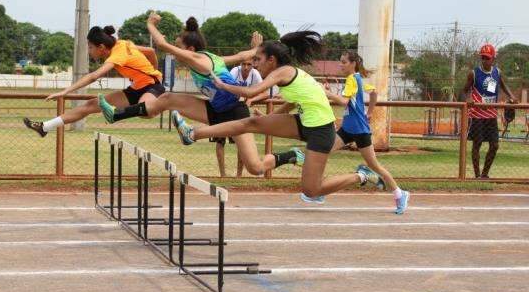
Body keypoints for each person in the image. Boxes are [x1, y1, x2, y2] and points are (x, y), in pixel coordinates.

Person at [171, 30, 386, 201]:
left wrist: (221, 84)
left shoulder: (282, 72)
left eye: (258, 59)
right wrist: (272, 116)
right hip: (304, 122)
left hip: (321, 130)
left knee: (312, 190)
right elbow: (295, 101)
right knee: (250, 122)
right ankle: (192, 133)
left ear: (272, 60)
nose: (254, 64)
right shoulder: (286, 73)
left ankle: (362, 175)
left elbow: (250, 92)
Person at [97, 13, 304, 176]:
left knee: (255, 167)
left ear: (190, 48)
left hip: (235, 113)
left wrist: (151, 24)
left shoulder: (198, 61)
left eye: (179, 47)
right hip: (213, 109)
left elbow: (161, 44)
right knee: (168, 99)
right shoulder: (212, 57)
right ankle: (117, 114)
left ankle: (292, 155)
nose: (176, 51)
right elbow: (241, 56)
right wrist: (256, 48)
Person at [22, 25, 164, 137]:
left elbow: (93, 76)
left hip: (153, 87)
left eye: (90, 47)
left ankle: (116, 114)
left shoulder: (116, 55)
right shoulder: (123, 43)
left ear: (101, 47)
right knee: (90, 105)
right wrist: (152, 70)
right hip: (136, 88)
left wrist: (65, 91)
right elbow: (150, 51)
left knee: (146, 110)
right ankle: (44, 127)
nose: (89, 51)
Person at [324, 50, 410, 214]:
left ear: (353, 63)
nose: (340, 65)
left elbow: (344, 101)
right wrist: (368, 113)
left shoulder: (352, 79)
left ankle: (400, 193)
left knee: (374, 165)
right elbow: (374, 92)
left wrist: (327, 93)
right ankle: (319, 191)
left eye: (343, 62)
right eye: (340, 61)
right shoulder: (356, 79)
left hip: (359, 130)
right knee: (323, 152)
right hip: (348, 129)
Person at [462, 44, 517, 179]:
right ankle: (477, 176)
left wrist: (511, 96)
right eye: (483, 58)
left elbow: (503, 86)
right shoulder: (473, 73)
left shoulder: (497, 72)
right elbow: (464, 90)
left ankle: (484, 174)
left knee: (495, 145)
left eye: (487, 58)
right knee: (477, 144)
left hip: (491, 115)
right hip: (477, 115)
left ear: (493, 59)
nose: (485, 60)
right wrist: (468, 98)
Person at [212, 59, 265, 178]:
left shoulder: (255, 74)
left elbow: (265, 93)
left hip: (239, 109)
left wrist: (251, 99)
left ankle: (239, 175)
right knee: (220, 141)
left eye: (249, 64)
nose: (246, 67)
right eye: (243, 64)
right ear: (239, 64)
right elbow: (226, 89)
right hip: (225, 107)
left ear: (253, 65)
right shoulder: (234, 72)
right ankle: (223, 175)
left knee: (241, 143)